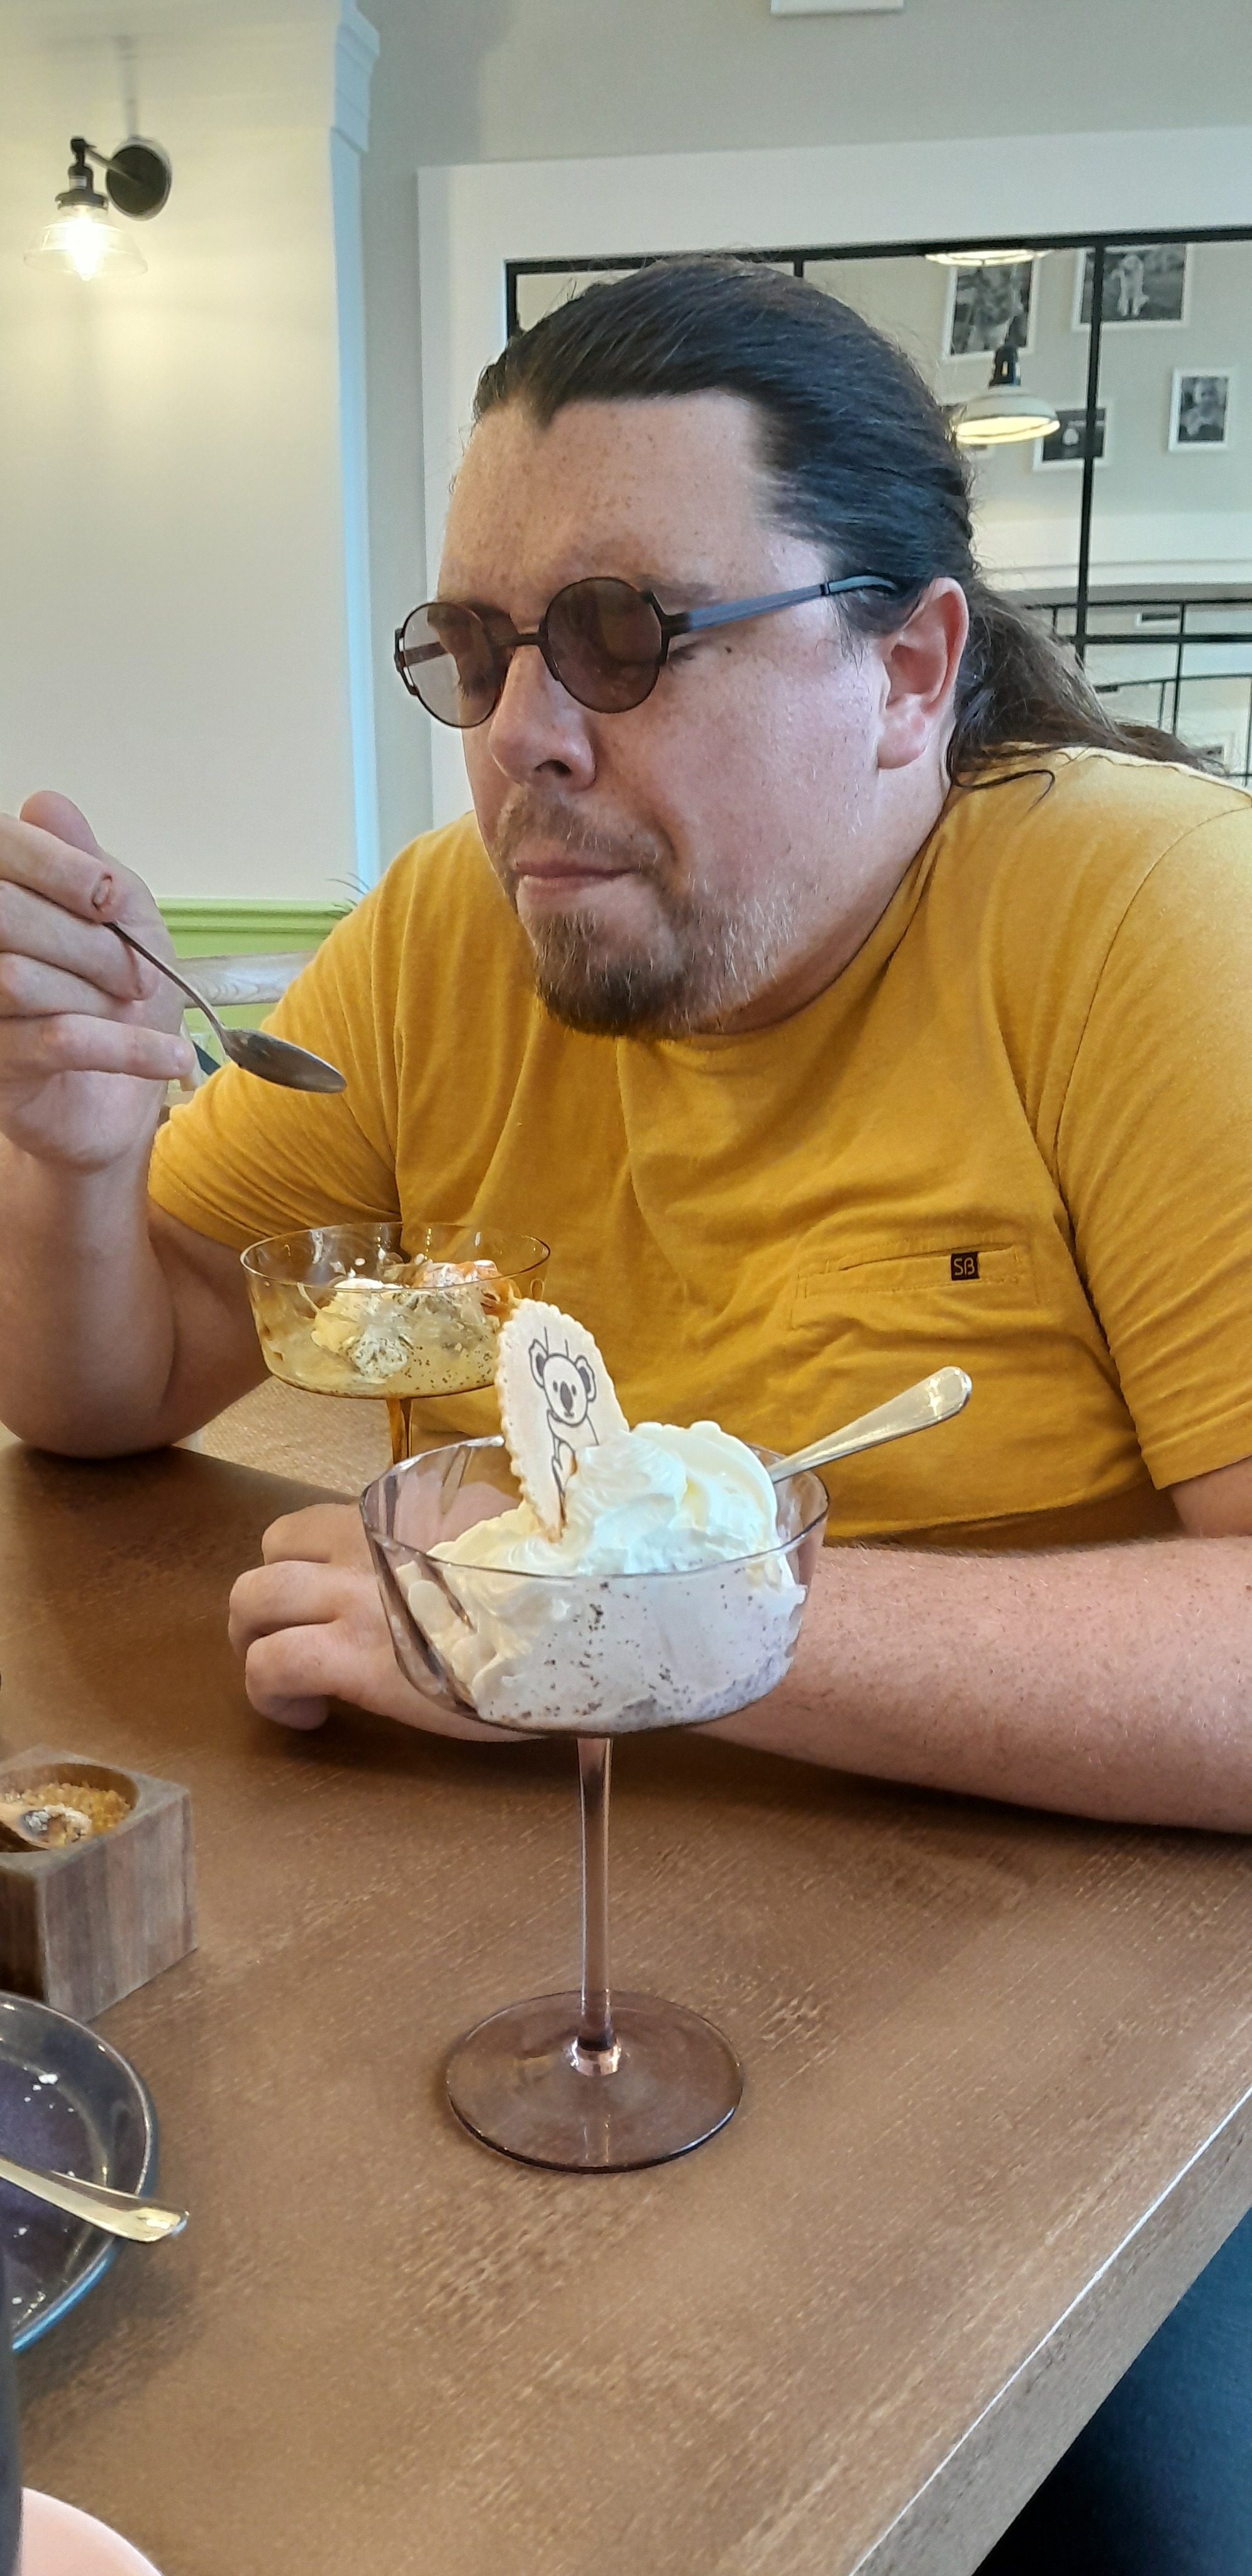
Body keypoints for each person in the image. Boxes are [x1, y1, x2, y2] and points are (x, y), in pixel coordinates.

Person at [0, 252, 1248, 2572]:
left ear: (910, 667)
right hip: (506, 1946)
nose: (520, 740)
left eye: (620, 637)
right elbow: (111, 1389)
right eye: (477, 652)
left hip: (1081, 2018)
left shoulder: (1148, 918)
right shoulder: (451, 932)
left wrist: (580, 1623)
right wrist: (70, 1164)